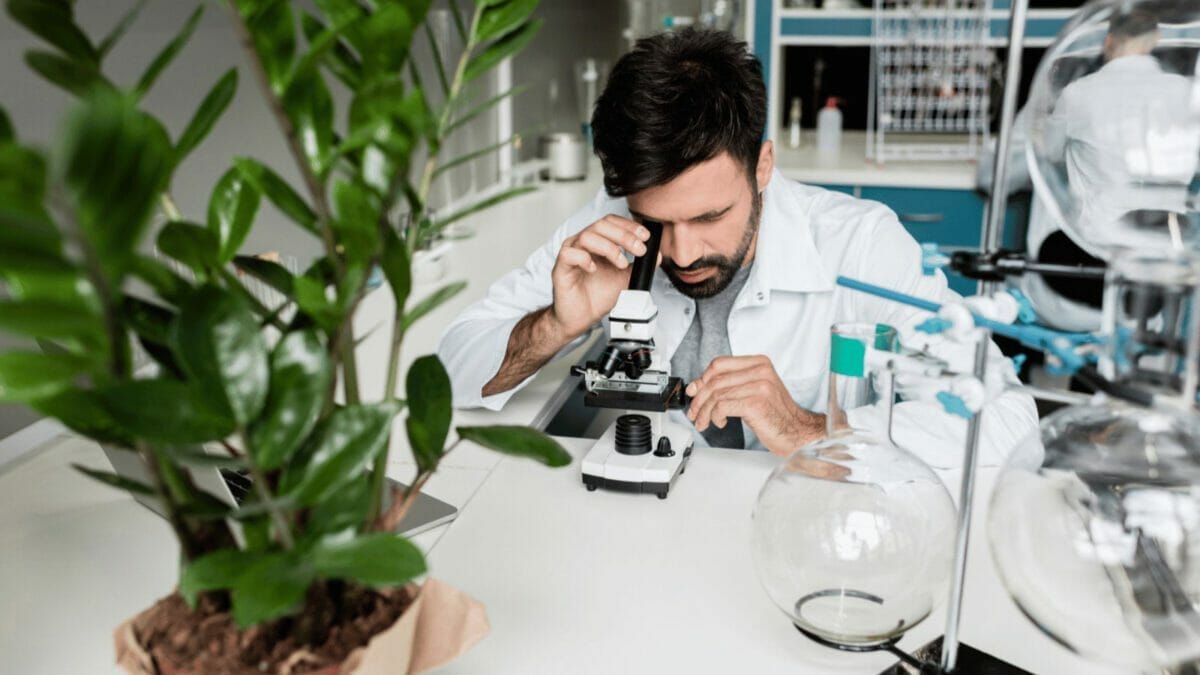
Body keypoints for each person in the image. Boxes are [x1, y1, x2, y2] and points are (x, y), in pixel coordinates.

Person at [438, 28, 1036, 468]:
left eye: (709, 215)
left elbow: (1009, 419)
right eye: (657, 220)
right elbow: (451, 376)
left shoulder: (860, 244)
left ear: (764, 166)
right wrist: (556, 324)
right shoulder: (609, 224)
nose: (682, 252)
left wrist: (809, 431)